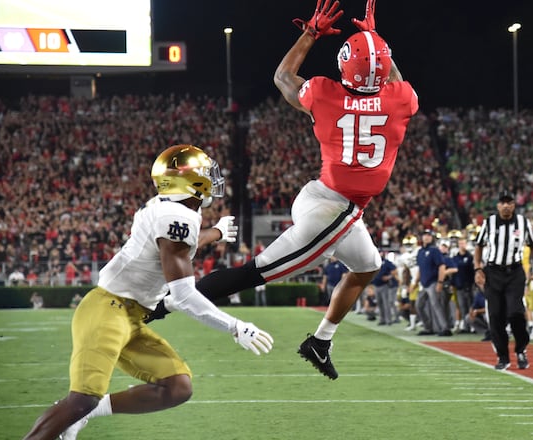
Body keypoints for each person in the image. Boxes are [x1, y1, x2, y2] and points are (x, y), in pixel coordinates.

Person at [145, 0, 418, 381]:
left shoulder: (325, 96)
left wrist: (310, 33)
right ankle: (162, 303)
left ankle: (320, 342)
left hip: (322, 197)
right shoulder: (401, 100)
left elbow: (283, 76)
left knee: (367, 266)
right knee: (253, 273)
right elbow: (394, 80)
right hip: (334, 214)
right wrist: (374, 37)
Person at [23, 145, 273, 440]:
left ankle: (91, 412)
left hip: (129, 316)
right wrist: (234, 326)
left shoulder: (170, 209)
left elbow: (181, 246)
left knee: (177, 386)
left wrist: (216, 232)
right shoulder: (175, 217)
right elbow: (182, 294)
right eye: (205, 174)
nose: (213, 179)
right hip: (107, 310)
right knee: (81, 399)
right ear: (188, 181)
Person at [474, 190, 533, 370]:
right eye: (502, 202)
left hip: (515, 272)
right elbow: (478, 246)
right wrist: (478, 268)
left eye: (509, 202)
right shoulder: (489, 223)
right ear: (497, 205)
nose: (505, 205)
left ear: (514, 205)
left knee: (516, 312)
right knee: (495, 316)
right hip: (493, 272)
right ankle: (503, 356)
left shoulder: (523, 223)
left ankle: (521, 349)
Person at [413, 230, 450, 336]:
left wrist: (440, 282)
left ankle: (445, 328)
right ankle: (428, 327)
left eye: (429, 235)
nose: (427, 237)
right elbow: (420, 268)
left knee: (436, 306)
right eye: (425, 235)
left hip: (433, 282)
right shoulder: (420, 252)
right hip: (423, 283)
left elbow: (442, 266)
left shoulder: (435, 251)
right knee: (418, 305)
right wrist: (415, 282)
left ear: (432, 238)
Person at [452, 237, 476, 333]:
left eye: (464, 243)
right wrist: (452, 283)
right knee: (462, 306)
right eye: (460, 243)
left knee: (470, 305)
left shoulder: (470, 257)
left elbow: (473, 272)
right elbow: (454, 273)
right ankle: (465, 326)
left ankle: (472, 326)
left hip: (469, 285)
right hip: (459, 285)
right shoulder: (455, 258)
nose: (462, 245)